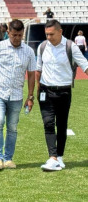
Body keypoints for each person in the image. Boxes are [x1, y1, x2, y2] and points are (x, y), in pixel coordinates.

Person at [0, 19, 36, 171]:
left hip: (17, 95)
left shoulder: (29, 51)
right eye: (13, 35)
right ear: (8, 33)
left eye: (19, 35)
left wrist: (30, 97)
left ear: (23, 33)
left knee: (12, 127)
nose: (16, 38)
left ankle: (8, 158)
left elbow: (31, 75)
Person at [36, 20, 88, 171]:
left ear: (60, 32)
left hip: (64, 91)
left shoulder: (70, 46)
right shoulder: (42, 47)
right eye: (47, 34)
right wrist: (36, 92)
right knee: (48, 123)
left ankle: (59, 157)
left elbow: (85, 65)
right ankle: (52, 157)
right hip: (45, 90)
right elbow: (38, 69)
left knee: (62, 124)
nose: (49, 37)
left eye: (51, 34)